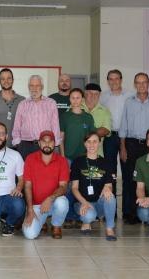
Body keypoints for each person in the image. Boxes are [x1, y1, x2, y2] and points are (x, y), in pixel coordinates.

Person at [119, 73, 149, 224]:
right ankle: (129, 213)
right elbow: (123, 126)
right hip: (131, 144)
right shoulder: (128, 102)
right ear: (134, 84)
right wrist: (123, 147)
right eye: (138, 83)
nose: (141, 85)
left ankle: (148, 212)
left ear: (148, 84)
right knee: (129, 179)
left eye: (144, 82)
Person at [22, 130, 69, 240]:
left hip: (53, 203)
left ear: (55, 143)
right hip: (36, 206)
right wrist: (29, 210)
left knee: (62, 202)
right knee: (30, 235)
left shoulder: (62, 161)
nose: (47, 144)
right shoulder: (30, 159)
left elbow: (63, 187)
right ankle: (41, 221)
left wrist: (50, 198)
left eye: (50, 141)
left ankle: (56, 226)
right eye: (44, 141)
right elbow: (27, 186)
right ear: (39, 143)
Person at [60, 87, 96, 228]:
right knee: (69, 188)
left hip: (83, 158)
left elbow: (92, 139)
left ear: (82, 99)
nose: (75, 100)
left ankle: (81, 214)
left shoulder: (88, 117)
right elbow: (61, 138)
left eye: (78, 98)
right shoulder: (65, 116)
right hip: (68, 158)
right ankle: (69, 216)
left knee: (82, 187)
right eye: (73, 98)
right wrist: (63, 157)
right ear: (70, 99)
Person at [71, 132, 117, 240]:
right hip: (81, 203)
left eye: (95, 141)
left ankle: (109, 229)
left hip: (99, 203)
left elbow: (109, 185)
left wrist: (108, 188)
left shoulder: (106, 162)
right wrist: (84, 202)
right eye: (89, 141)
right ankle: (87, 220)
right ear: (84, 144)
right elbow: (74, 188)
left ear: (99, 143)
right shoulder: (78, 162)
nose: (92, 145)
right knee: (89, 216)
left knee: (110, 196)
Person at [12, 75, 61, 160]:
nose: (34, 88)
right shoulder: (22, 104)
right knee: (26, 172)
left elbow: (55, 125)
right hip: (25, 146)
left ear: (42, 87)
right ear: (28, 87)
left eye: (37, 85)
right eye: (31, 85)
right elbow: (17, 126)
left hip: (45, 145)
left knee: (44, 172)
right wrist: (18, 143)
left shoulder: (51, 103)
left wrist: (55, 145)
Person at [0, 68, 25, 149]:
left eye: (9, 78)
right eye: (3, 79)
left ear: (13, 80)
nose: (6, 81)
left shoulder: (22, 100)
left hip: (18, 146)